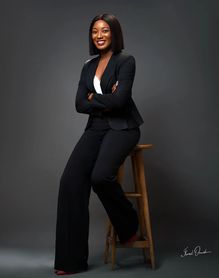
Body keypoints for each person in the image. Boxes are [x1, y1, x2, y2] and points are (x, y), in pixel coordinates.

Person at [54, 13, 144, 275]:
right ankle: (71, 261)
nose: (100, 35)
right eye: (95, 31)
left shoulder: (126, 61)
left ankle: (129, 225)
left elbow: (121, 103)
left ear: (114, 33)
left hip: (123, 128)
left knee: (100, 176)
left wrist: (95, 97)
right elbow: (79, 104)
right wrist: (106, 97)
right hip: (96, 128)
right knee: (69, 181)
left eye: (105, 30)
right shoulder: (88, 65)